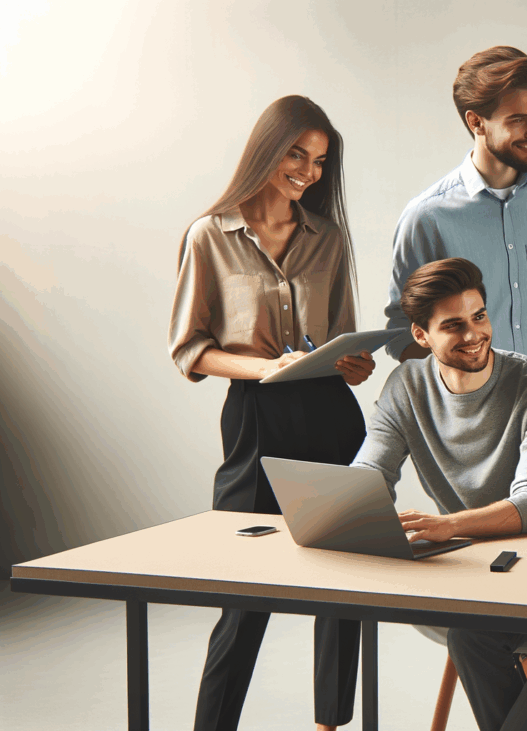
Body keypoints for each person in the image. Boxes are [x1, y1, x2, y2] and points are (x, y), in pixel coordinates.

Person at [168, 95, 377, 731]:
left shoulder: (329, 238)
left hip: (332, 417)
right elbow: (190, 350)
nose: (309, 172)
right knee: (244, 590)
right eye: (297, 154)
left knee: (343, 582)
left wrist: (354, 364)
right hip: (257, 420)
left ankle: (330, 723)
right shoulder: (211, 235)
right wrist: (265, 368)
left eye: (319, 161)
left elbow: (343, 335)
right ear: (268, 149)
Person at [351, 257, 527, 731]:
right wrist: (339, 508)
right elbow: (370, 472)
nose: (474, 334)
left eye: (479, 316)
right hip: (470, 576)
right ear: (421, 336)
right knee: (469, 632)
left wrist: (446, 526)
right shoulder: (406, 385)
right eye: (454, 325)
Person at [383, 45, 527, 483]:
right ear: (476, 122)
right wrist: (455, 402)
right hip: (472, 427)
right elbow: (400, 331)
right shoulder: (427, 217)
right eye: (518, 119)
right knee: (476, 546)